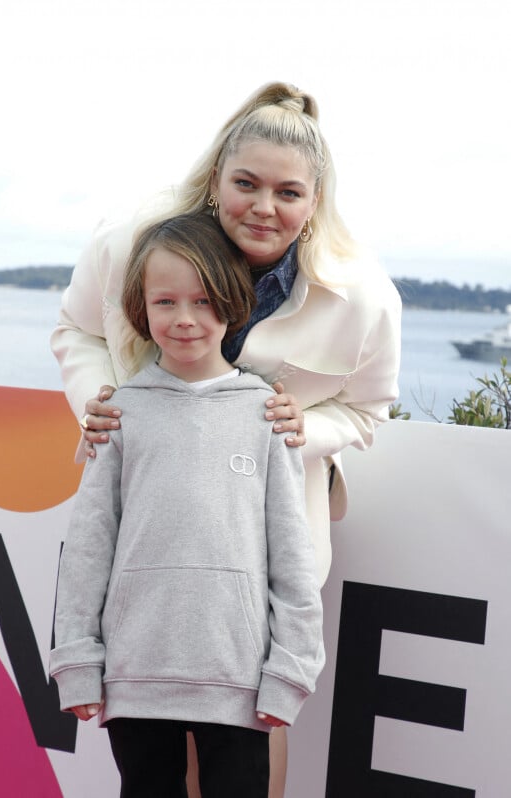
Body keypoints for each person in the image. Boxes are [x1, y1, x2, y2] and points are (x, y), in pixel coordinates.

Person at [51, 81, 401, 796]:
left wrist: (305, 429)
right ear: (216, 178)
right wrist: (104, 405)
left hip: (256, 558)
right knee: (152, 766)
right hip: (148, 547)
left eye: (289, 193)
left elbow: (368, 411)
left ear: (316, 199)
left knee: (252, 760)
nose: (264, 208)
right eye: (246, 183)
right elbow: (77, 330)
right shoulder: (130, 243)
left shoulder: (363, 296)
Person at [50, 213, 325, 798]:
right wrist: (76, 660)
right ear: (139, 307)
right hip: (135, 680)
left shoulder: (266, 414)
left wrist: (291, 670)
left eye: (203, 300)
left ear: (232, 302)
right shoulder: (120, 412)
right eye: (165, 301)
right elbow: (89, 547)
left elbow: (291, 558)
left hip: (240, 680)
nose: (184, 319)